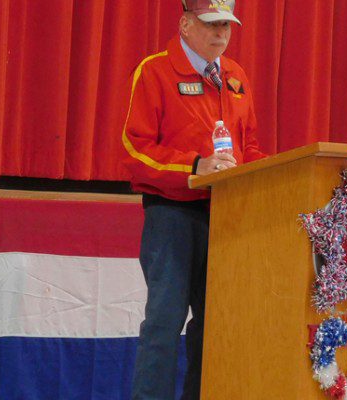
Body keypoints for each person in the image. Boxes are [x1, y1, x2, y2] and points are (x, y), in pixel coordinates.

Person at [121, 1, 266, 398]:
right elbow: (135, 150)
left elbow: (248, 146)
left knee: (212, 325)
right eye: (211, 24)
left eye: (227, 25)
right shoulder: (155, 71)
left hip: (226, 217)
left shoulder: (236, 76)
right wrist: (194, 167)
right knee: (164, 325)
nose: (221, 33)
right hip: (172, 214)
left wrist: (274, 173)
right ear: (185, 25)